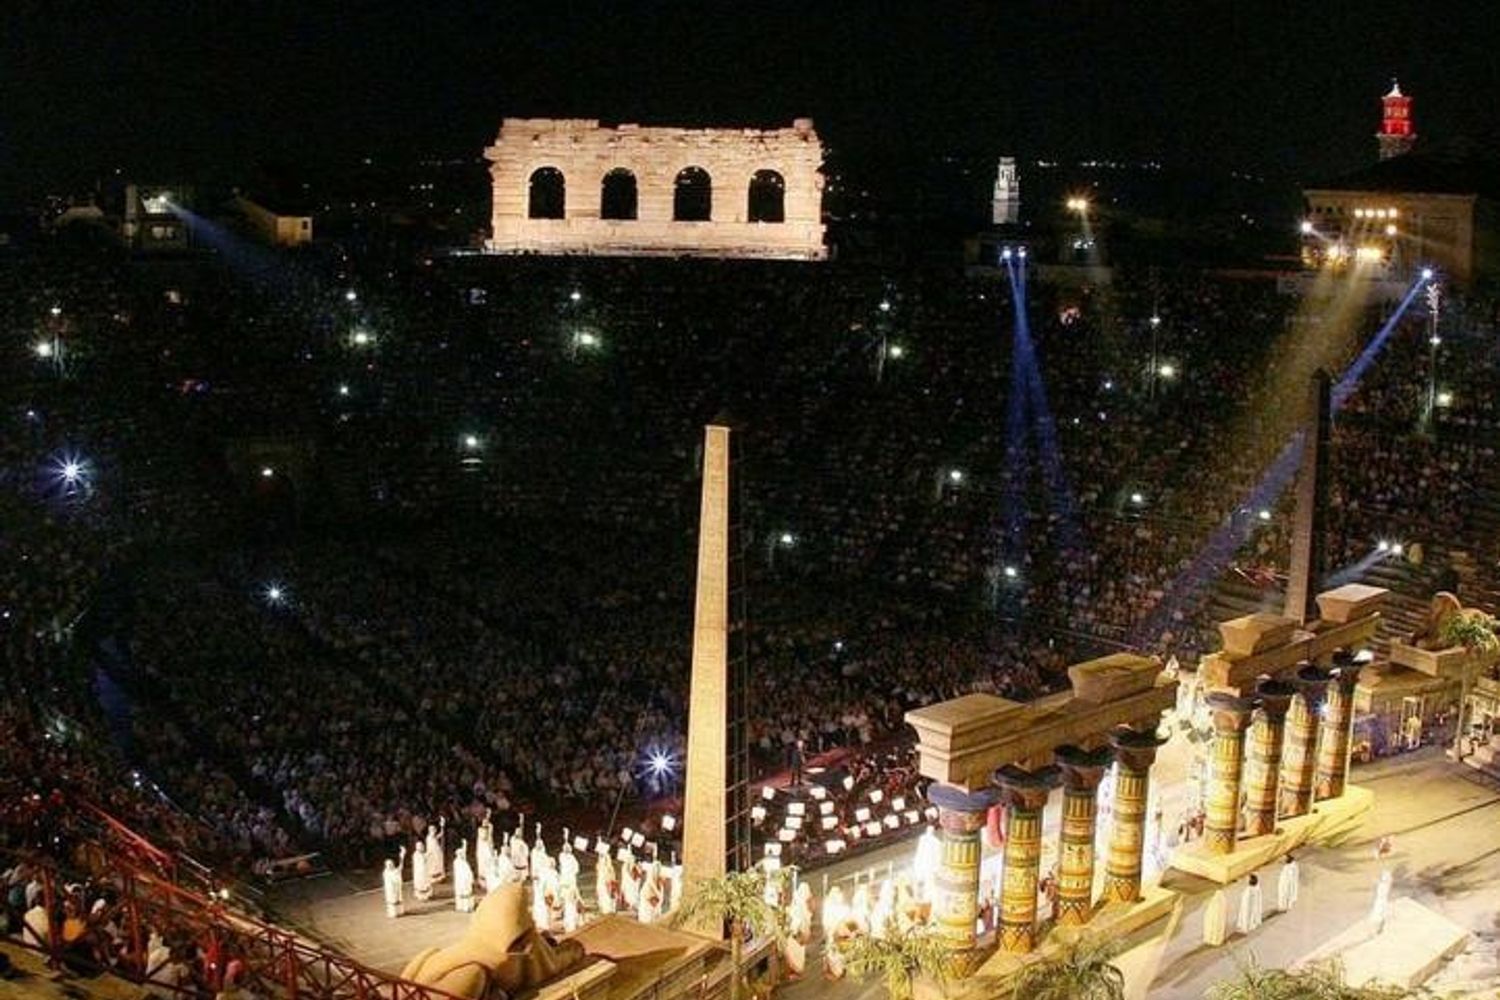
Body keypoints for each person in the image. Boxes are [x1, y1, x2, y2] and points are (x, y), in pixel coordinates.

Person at [452, 839, 475, 914]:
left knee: (467, 893)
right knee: (463, 894)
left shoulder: (464, 861)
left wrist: (465, 844)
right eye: (460, 854)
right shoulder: (457, 862)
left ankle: (468, 906)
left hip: (466, 880)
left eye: (462, 854)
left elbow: (464, 852)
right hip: (461, 881)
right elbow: (459, 872)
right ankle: (462, 907)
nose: (461, 855)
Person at [595, 844, 618, 915]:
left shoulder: (609, 867)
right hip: (602, 882)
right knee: (603, 895)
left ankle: (609, 909)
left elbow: (612, 874)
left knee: (608, 895)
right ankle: (605, 909)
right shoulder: (600, 866)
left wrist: (612, 881)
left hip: (607, 882)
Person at [383, 849, 405, 918]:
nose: (390, 865)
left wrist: (402, 856)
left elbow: (400, 867)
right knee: (392, 901)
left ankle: (400, 911)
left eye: (391, 864)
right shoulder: (386, 872)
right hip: (391, 890)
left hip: (396, 889)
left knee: (398, 899)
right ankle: (393, 913)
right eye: (389, 865)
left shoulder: (395, 870)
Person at [1371, 868, 1393, 933]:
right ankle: (1379, 928)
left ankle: (1379, 928)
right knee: (1381, 914)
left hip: (1381, 901)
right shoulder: (1386, 883)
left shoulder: (1384, 884)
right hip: (1381, 900)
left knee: (1379, 914)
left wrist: (1376, 881)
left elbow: (1378, 883)